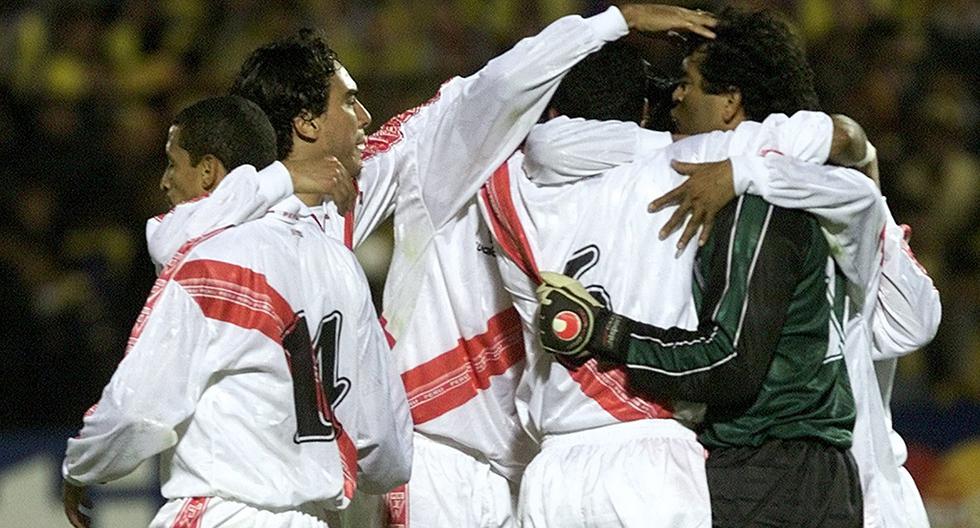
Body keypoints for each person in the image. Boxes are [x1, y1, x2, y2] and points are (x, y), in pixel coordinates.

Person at [148, 6, 719, 527]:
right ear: (306, 123)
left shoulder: (233, 228)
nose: (368, 113)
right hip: (431, 468)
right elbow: (492, 92)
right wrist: (609, 22)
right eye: (349, 100)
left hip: (461, 472)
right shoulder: (400, 179)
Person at [529, 8, 874, 527]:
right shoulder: (791, 181)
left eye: (690, 82)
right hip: (808, 474)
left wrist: (607, 331)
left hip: (769, 476)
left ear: (731, 104)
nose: (676, 95)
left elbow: (729, 361)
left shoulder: (757, 204)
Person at [61, 95, 413, 528]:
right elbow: (387, 448)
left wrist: (82, 467)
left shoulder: (210, 261)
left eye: (173, 163)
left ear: (208, 170)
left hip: (223, 511)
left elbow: (136, 413)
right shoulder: (341, 263)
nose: (164, 182)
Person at [647, 140, 941, 528]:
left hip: (874, 489)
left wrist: (874, 216)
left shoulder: (857, 253)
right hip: (807, 484)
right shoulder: (749, 241)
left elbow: (917, 324)